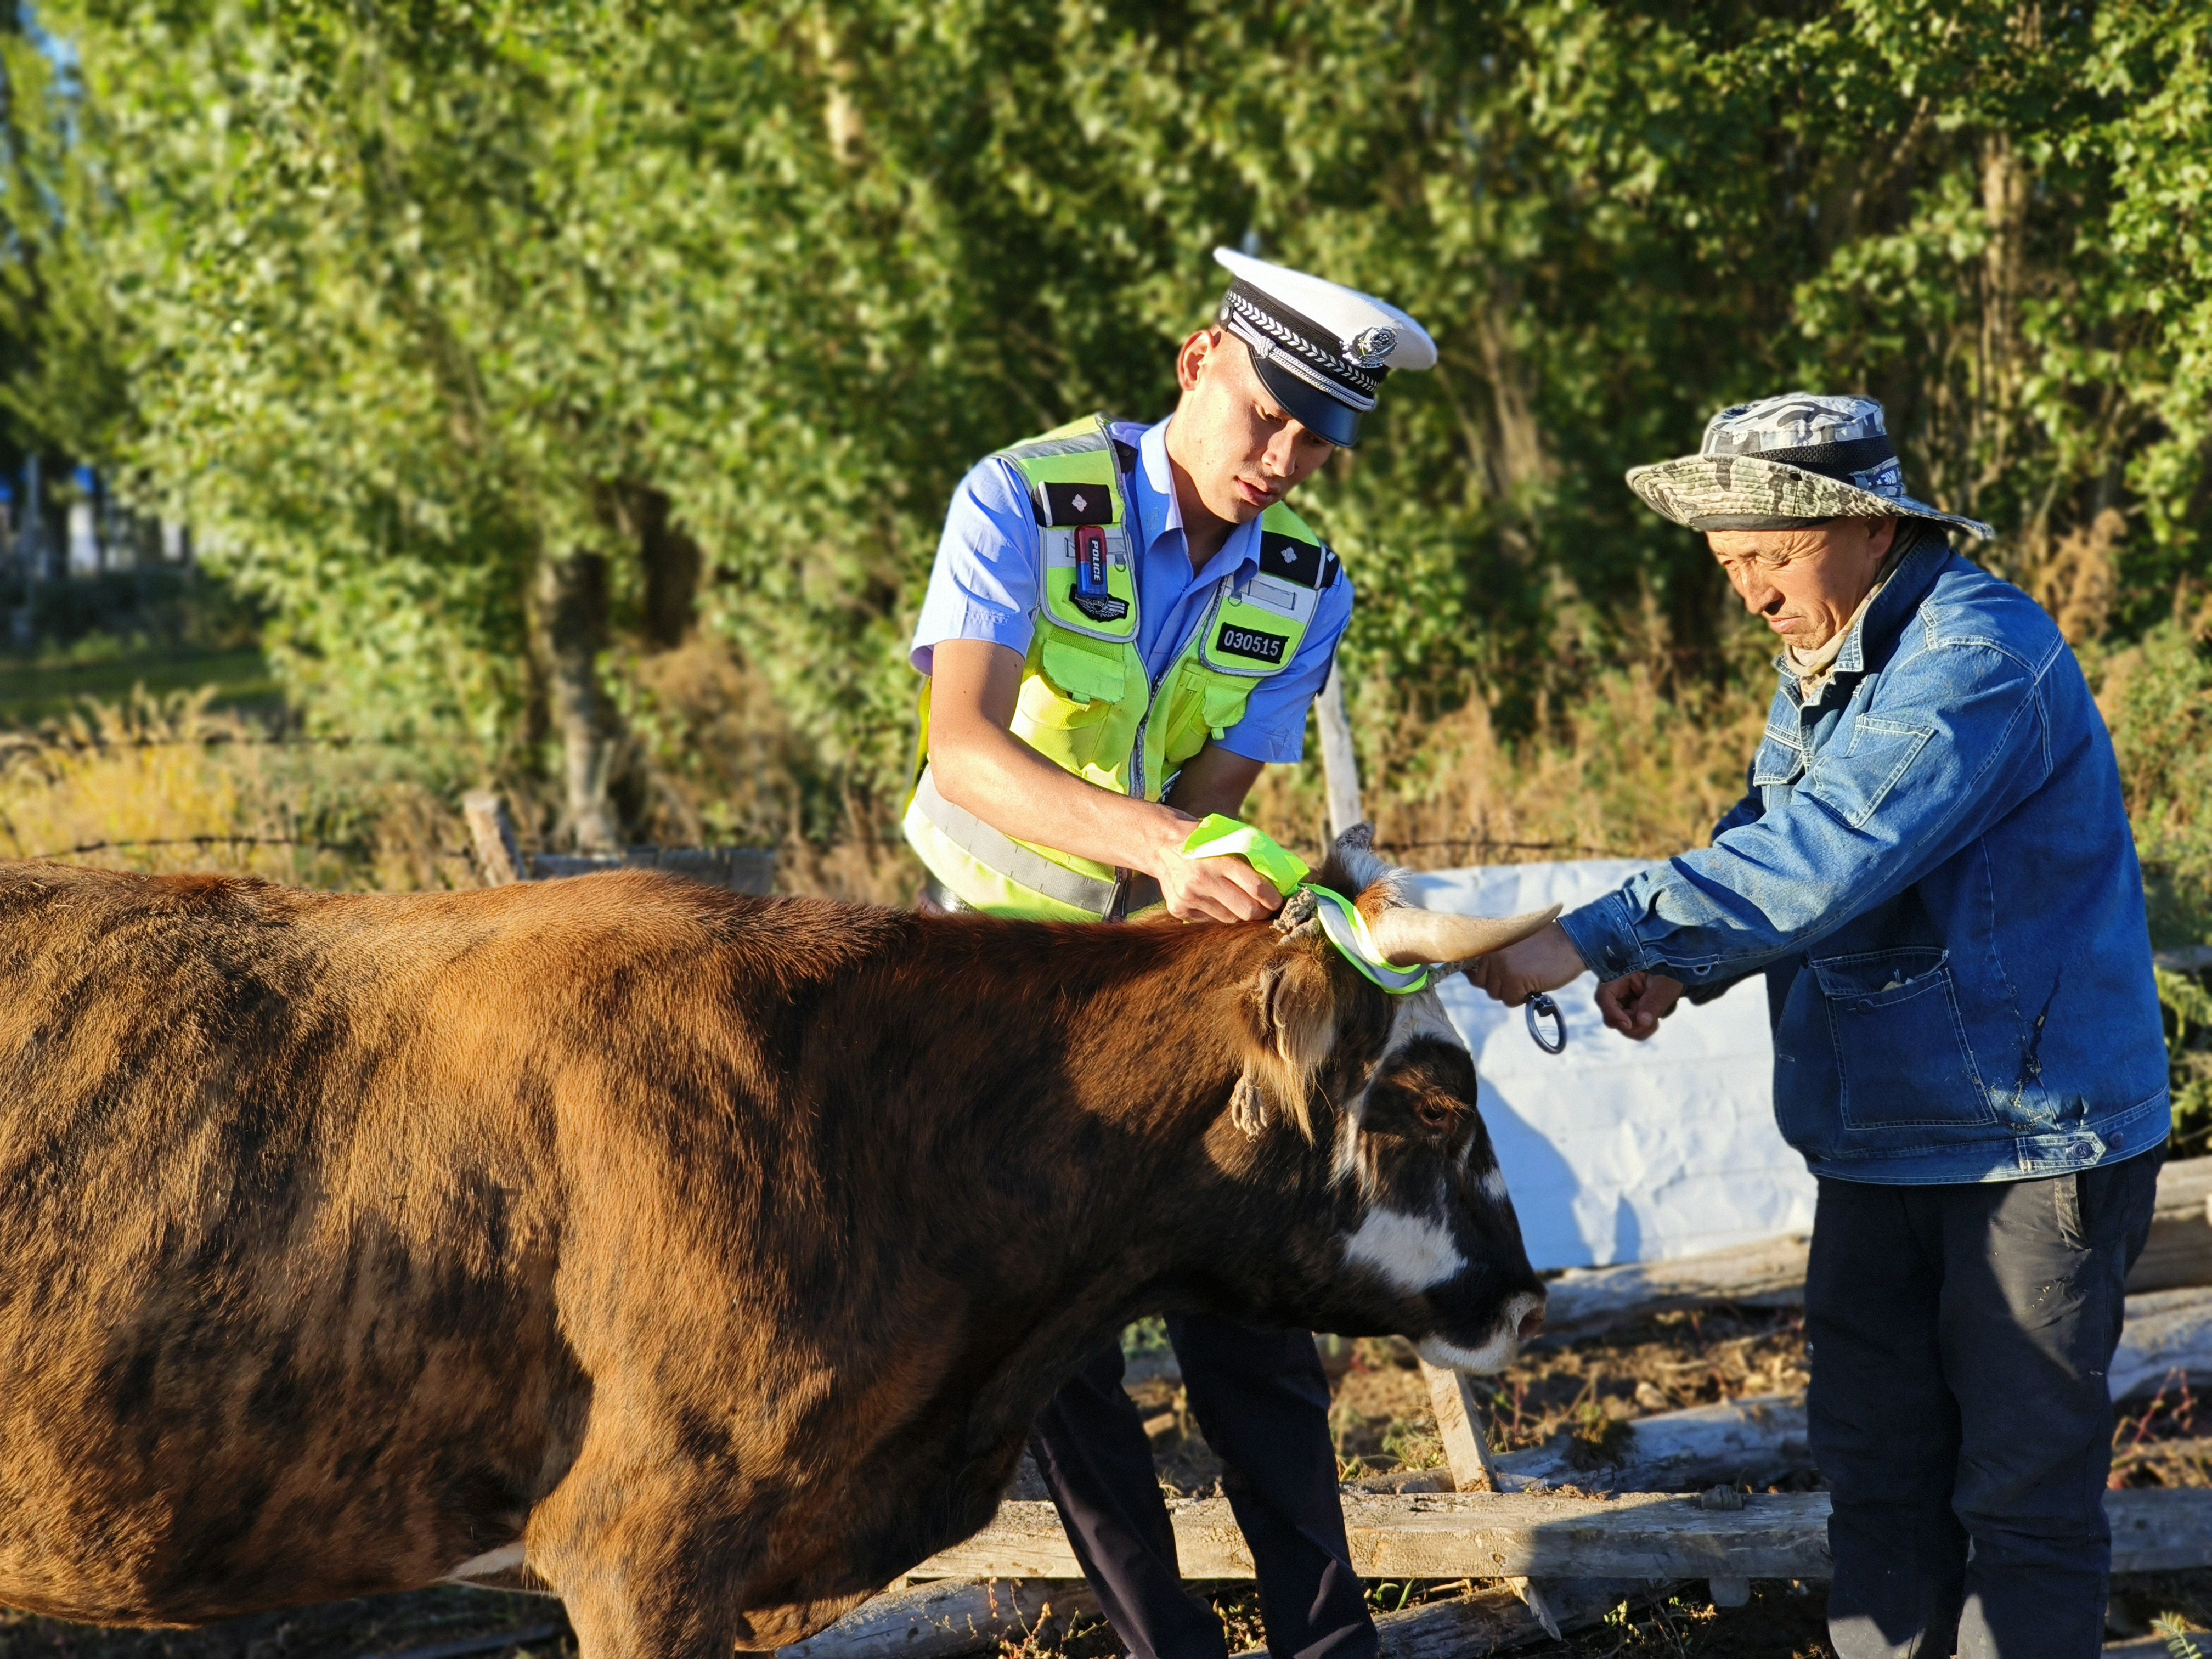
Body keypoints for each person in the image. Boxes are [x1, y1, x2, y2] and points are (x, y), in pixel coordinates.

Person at [1470, 393, 2169, 1659]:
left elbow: (1831, 849)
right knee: (1878, 1486)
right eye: (1730, 565)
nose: (1749, 594)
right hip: (1874, 1145)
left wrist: (1595, 934)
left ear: (1861, 525)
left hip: (2027, 1147)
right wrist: (1690, 971)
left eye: (1770, 559)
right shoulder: (1829, 660)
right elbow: (1775, 833)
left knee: (2020, 1505)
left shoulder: (1975, 658)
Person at [902, 249, 1435, 1659]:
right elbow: (961, 752)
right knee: (1056, 1350)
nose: (1285, 460)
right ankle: (1167, 1645)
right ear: (1201, 358)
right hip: (997, 994)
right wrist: (1157, 851)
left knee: (1255, 1306)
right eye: (1267, 415)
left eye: (1321, 443)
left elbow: (1213, 810)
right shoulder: (1024, 499)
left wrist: (1239, 889)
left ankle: (1330, 1644)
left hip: (1163, 982)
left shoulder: (1309, 582)